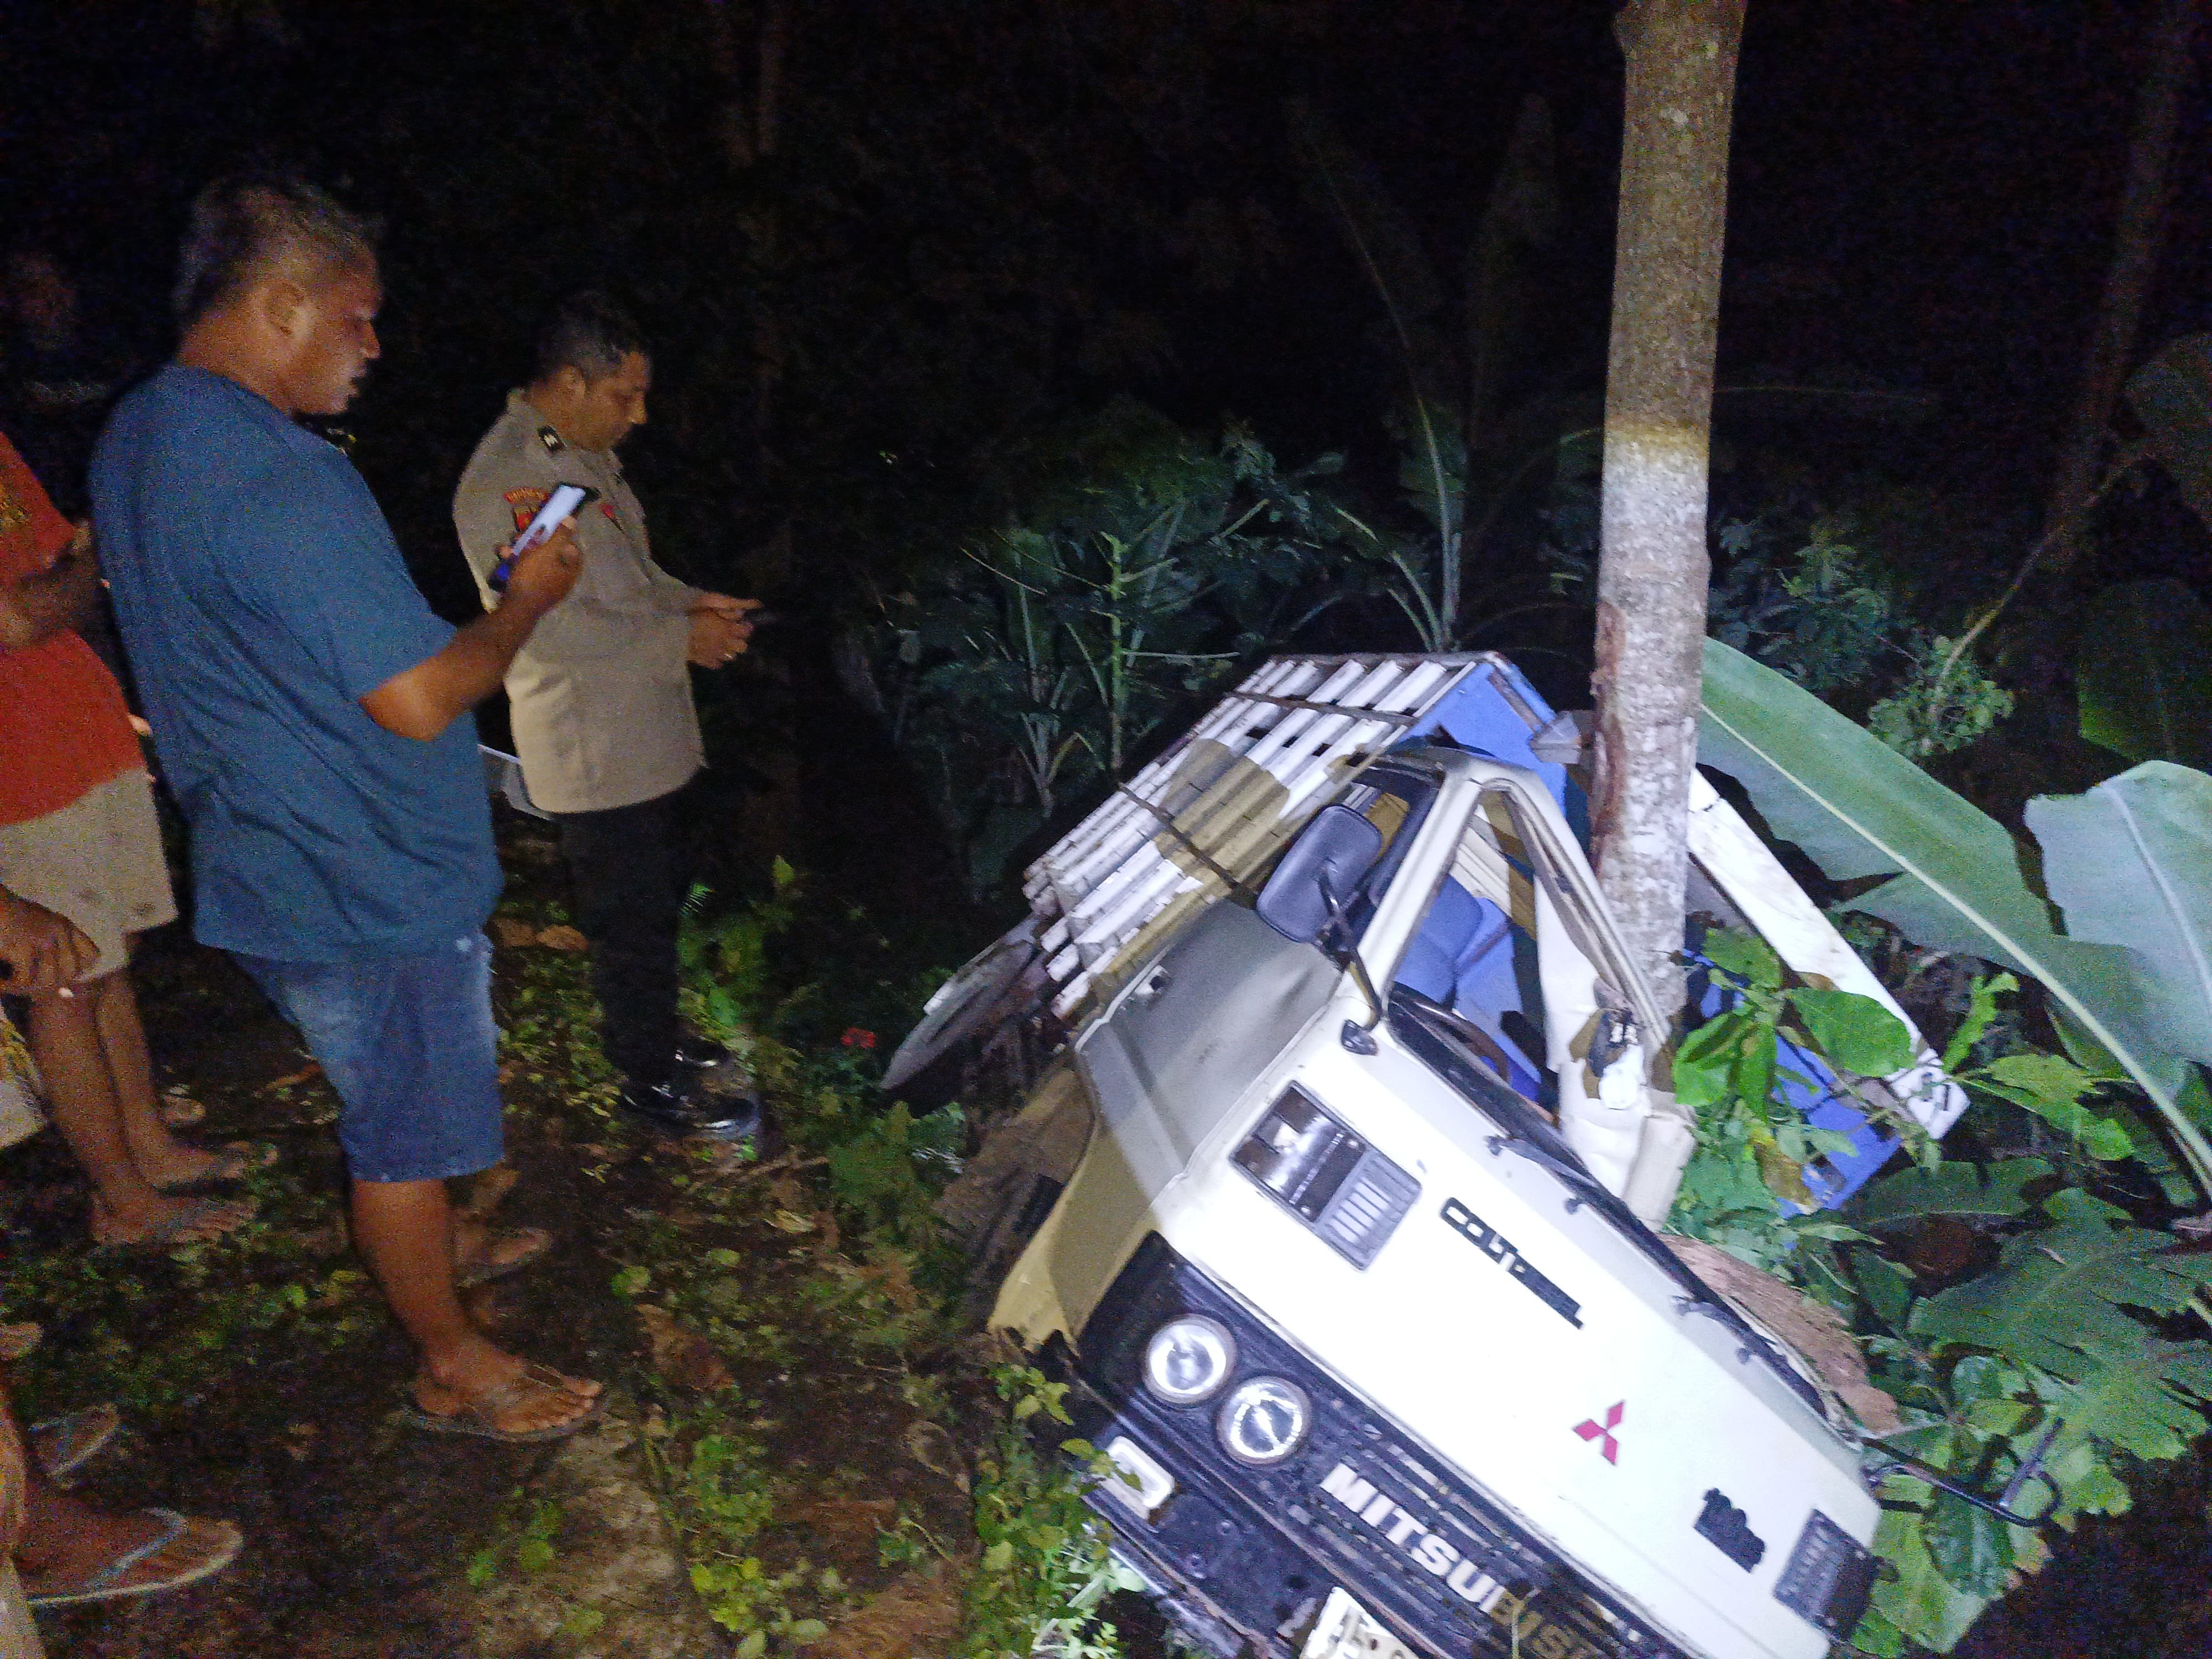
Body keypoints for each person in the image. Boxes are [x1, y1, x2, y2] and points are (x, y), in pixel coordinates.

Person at [92, 175, 600, 1442]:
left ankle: (444, 1241)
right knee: (401, 1133)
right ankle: (452, 1362)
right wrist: (524, 604)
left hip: (267, 851)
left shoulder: (142, 432)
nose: (374, 346)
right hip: (365, 876)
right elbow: (420, 698)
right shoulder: (284, 479)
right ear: (280, 306)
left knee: (399, 1092)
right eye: (357, 317)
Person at [452, 293, 761, 1140]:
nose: (640, 415)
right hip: (595, 745)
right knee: (626, 922)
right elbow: (546, 626)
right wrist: (680, 641)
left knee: (655, 907)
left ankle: (659, 1036)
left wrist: (695, 604)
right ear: (571, 383)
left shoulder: (582, 459)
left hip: (640, 734)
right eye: (625, 395)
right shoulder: (518, 481)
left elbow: (631, 581)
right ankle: (647, 1082)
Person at [0, 429, 257, 1249]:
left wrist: (75, 570)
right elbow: (22, 616)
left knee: (112, 963)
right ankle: (120, 1201)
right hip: (19, 769)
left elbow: (63, 577)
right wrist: (88, 562)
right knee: (64, 982)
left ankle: (148, 1145)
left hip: (81, 731)